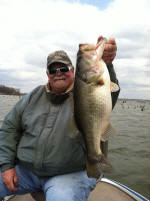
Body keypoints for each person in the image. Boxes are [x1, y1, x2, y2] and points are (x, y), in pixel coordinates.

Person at [0, 36, 120, 201]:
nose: (58, 74)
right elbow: (9, 128)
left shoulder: (83, 91)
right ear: (47, 74)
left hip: (68, 175)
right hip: (26, 171)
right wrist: (6, 166)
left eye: (63, 69)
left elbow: (108, 93)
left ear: (72, 70)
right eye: (52, 70)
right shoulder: (33, 96)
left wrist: (108, 64)